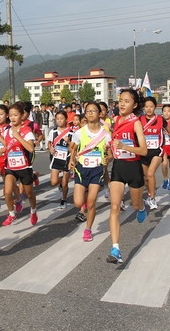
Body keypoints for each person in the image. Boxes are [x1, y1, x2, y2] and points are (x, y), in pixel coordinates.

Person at [107, 89, 148, 263]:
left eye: (126, 101)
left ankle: (141, 207)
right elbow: (112, 146)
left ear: (135, 105)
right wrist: (108, 156)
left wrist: (125, 147)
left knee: (135, 204)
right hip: (118, 168)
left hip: (133, 168)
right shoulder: (115, 121)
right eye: (120, 100)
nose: (122, 104)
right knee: (115, 207)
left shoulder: (136, 122)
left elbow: (144, 150)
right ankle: (116, 248)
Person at [69, 102, 112, 243]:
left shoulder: (106, 135)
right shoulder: (79, 133)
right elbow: (73, 148)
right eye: (88, 111)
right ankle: (84, 201)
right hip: (81, 170)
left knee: (91, 202)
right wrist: (71, 159)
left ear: (100, 114)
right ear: (85, 114)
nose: (90, 113)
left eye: (94, 111)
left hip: (97, 170)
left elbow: (111, 154)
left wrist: (107, 159)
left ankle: (88, 229)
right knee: (78, 202)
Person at [0, 102, 38, 226]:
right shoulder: (6, 131)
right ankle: (11, 215)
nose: (12, 118)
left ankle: (33, 211)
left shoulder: (26, 130)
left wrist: (18, 136)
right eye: (10, 115)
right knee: (7, 191)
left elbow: (31, 149)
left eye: (15, 115)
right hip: (10, 167)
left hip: (24, 167)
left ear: (22, 115)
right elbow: (6, 147)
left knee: (29, 194)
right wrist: (0, 152)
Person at [140, 97, 170, 210]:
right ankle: (149, 194)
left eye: (151, 106)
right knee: (146, 177)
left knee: (151, 174)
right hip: (143, 152)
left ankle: (152, 198)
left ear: (155, 107)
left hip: (157, 151)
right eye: (146, 106)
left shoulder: (160, 120)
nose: (149, 109)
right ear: (143, 107)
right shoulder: (140, 120)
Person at [48, 111, 72, 209]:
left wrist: (69, 141)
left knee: (65, 183)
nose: (59, 120)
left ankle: (64, 199)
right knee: (53, 182)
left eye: (61, 118)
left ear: (66, 119)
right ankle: (60, 181)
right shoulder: (53, 132)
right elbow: (49, 143)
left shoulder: (70, 133)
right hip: (56, 158)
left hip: (67, 158)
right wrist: (50, 148)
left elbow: (74, 147)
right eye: (57, 119)